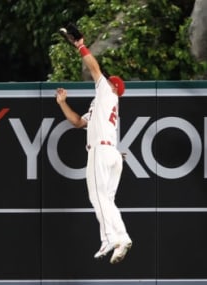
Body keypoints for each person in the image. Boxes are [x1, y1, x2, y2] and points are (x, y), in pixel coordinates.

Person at [54, 35, 132, 264]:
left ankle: (113, 238)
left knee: (98, 197)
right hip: (112, 154)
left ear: (113, 87)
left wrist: (81, 47)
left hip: (101, 151)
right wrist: (62, 103)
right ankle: (119, 238)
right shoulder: (101, 105)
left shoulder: (108, 93)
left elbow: (95, 69)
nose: (106, 80)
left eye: (110, 80)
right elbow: (78, 122)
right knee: (106, 199)